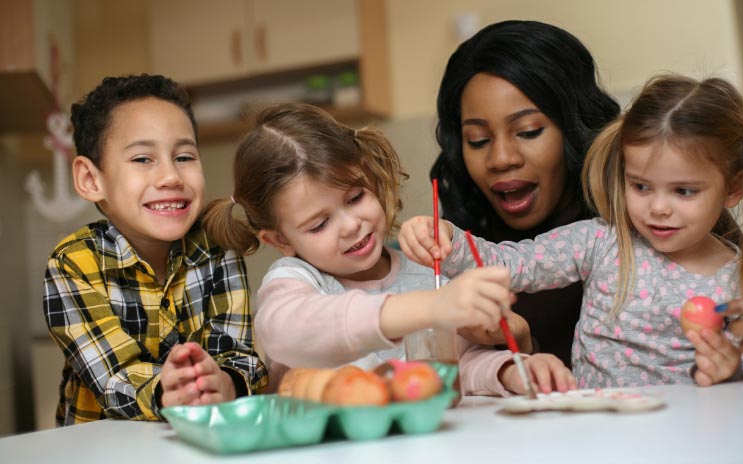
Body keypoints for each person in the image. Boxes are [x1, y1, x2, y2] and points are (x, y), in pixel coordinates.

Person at [400, 74, 743, 388]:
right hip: (593, 436)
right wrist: (447, 240)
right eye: (640, 186)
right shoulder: (601, 241)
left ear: (734, 189)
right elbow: (513, 264)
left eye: (684, 191)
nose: (657, 207)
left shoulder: (740, 282)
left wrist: (730, 375)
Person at [203, 103, 575, 396]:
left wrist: (510, 370)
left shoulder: (423, 276)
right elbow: (286, 331)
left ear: (370, 176)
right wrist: (429, 308)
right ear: (280, 241)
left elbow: (454, 370)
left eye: (356, 197)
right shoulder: (295, 283)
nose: (351, 224)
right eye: (319, 224)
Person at [43, 74, 268, 426]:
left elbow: (238, 354)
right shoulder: (73, 263)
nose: (171, 177)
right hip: (98, 455)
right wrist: (167, 390)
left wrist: (224, 382)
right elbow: (112, 379)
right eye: (142, 159)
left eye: (184, 156)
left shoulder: (217, 245)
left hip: (198, 440)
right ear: (91, 179)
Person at [431, 20, 620, 367]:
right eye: (479, 141)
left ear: (573, 129)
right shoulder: (457, 249)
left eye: (529, 131)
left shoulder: (647, 222)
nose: (501, 159)